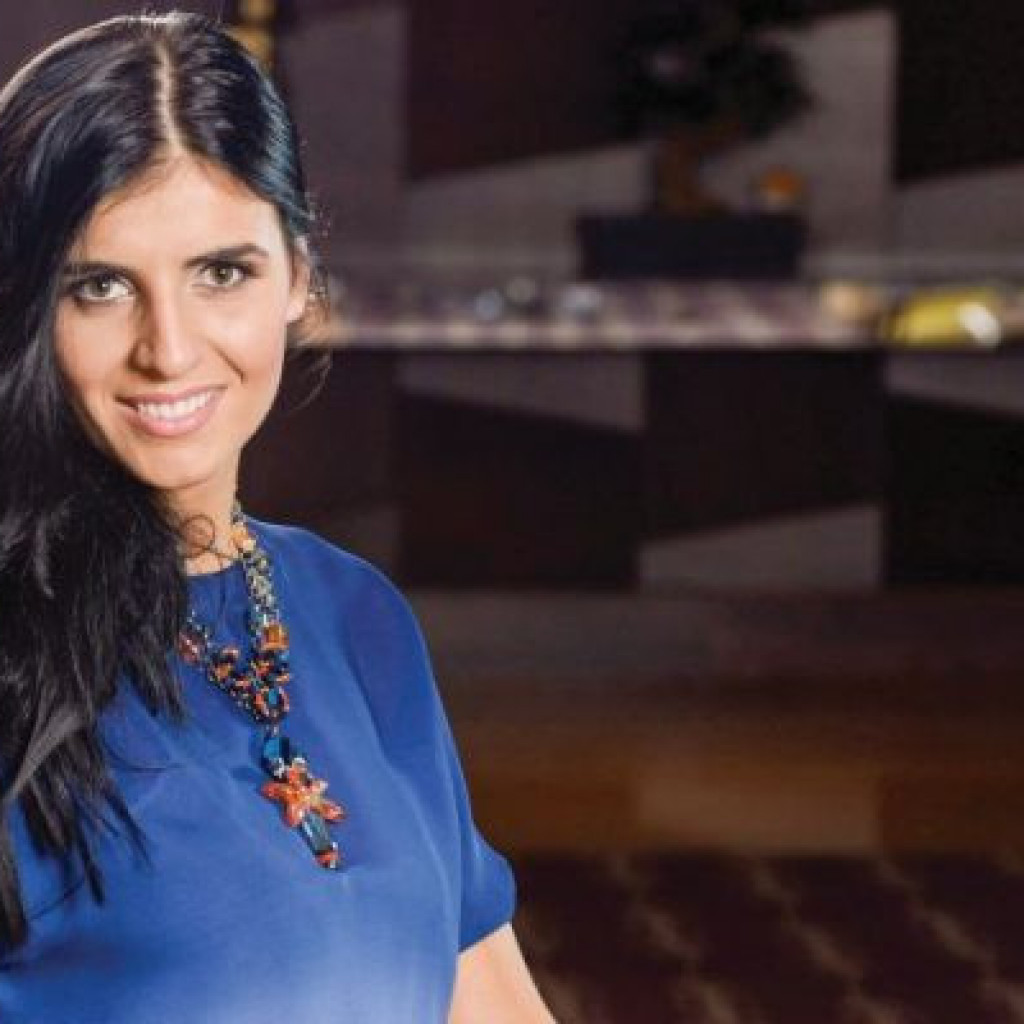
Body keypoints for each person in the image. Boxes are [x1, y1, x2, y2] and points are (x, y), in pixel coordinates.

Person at [0, 12, 554, 1022]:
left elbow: (493, 1004)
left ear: (297, 275)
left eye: (222, 273)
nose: (169, 350)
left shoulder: (354, 613)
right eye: (101, 286)